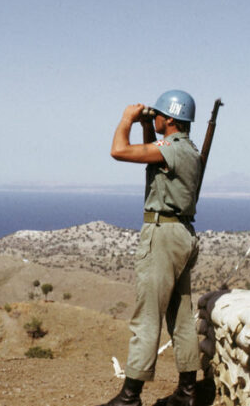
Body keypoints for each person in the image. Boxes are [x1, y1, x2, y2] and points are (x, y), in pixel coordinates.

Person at [99, 90, 202, 406]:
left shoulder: (172, 149)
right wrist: (147, 124)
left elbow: (119, 151)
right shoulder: (186, 149)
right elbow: (150, 152)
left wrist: (127, 118)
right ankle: (187, 392)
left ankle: (130, 397)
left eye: (157, 114)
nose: (154, 117)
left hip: (163, 236)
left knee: (147, 317)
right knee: (181, 317)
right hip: (181, 234)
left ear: (170, 118)